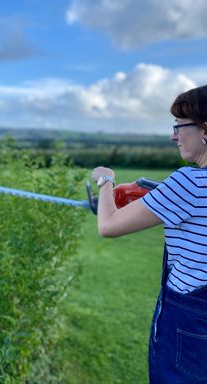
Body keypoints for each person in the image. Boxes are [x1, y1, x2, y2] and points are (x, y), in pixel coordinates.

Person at [92, 84, 207, 384]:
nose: (173, 135)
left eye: (180, 126)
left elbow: (108, 226)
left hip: (190, 320)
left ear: (205, 130)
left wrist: (105, 180)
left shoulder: (188, 183)